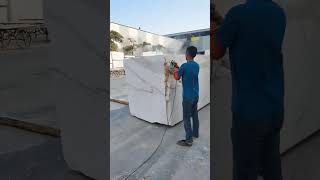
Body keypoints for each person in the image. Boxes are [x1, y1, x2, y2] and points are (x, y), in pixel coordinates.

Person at [212, 1, 286, 180]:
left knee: (245, 173)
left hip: (249, 114)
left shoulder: (237, 14)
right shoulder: (279, 13)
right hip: (275, 108)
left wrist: (213, 25)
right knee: (271, 166)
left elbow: (215, 51)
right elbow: (253, 38)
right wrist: (224, 23)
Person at [173, 46, 200, 147]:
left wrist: (175, 70)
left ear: (187, 54)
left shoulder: (184, 66)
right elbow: (188, 73)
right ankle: (195, 134)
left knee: (186, 118)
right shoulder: (197, 65)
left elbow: (176, 77)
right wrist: (179, 69)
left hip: (187, 97)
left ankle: (189, 140)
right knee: (195, 115)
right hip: (195, 95)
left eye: (185, 53)